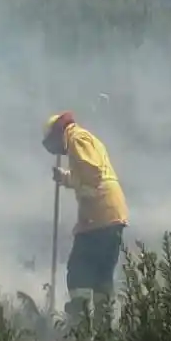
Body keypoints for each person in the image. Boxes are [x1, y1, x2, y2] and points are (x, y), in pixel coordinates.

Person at [42, 110, 128, 318]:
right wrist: (65, 178)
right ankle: (102, 330)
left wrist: (81, 188)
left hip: (99, 214)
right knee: (102, 275)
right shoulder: (85, 138)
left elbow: (91, 174)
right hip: (112, 214)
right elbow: (87, 172)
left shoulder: (76, 138)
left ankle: (79, 325)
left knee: (78, 269)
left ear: (58, 134)